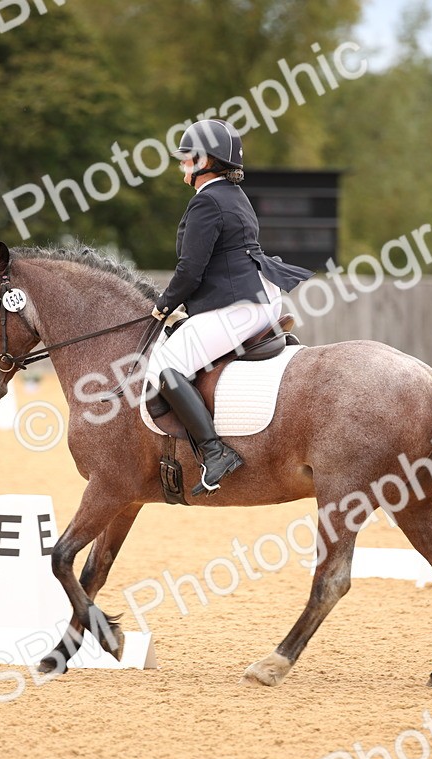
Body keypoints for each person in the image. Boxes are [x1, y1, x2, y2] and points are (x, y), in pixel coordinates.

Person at [148, 119, 314, 496]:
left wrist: (164, 304)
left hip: (238, 306)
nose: (182, 165)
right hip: (258, 299)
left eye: (187, 158)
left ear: (206, 161)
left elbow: (190, 269)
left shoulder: (206, 201)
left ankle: (214, 451)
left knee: (166, 364)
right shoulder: (234, 196)